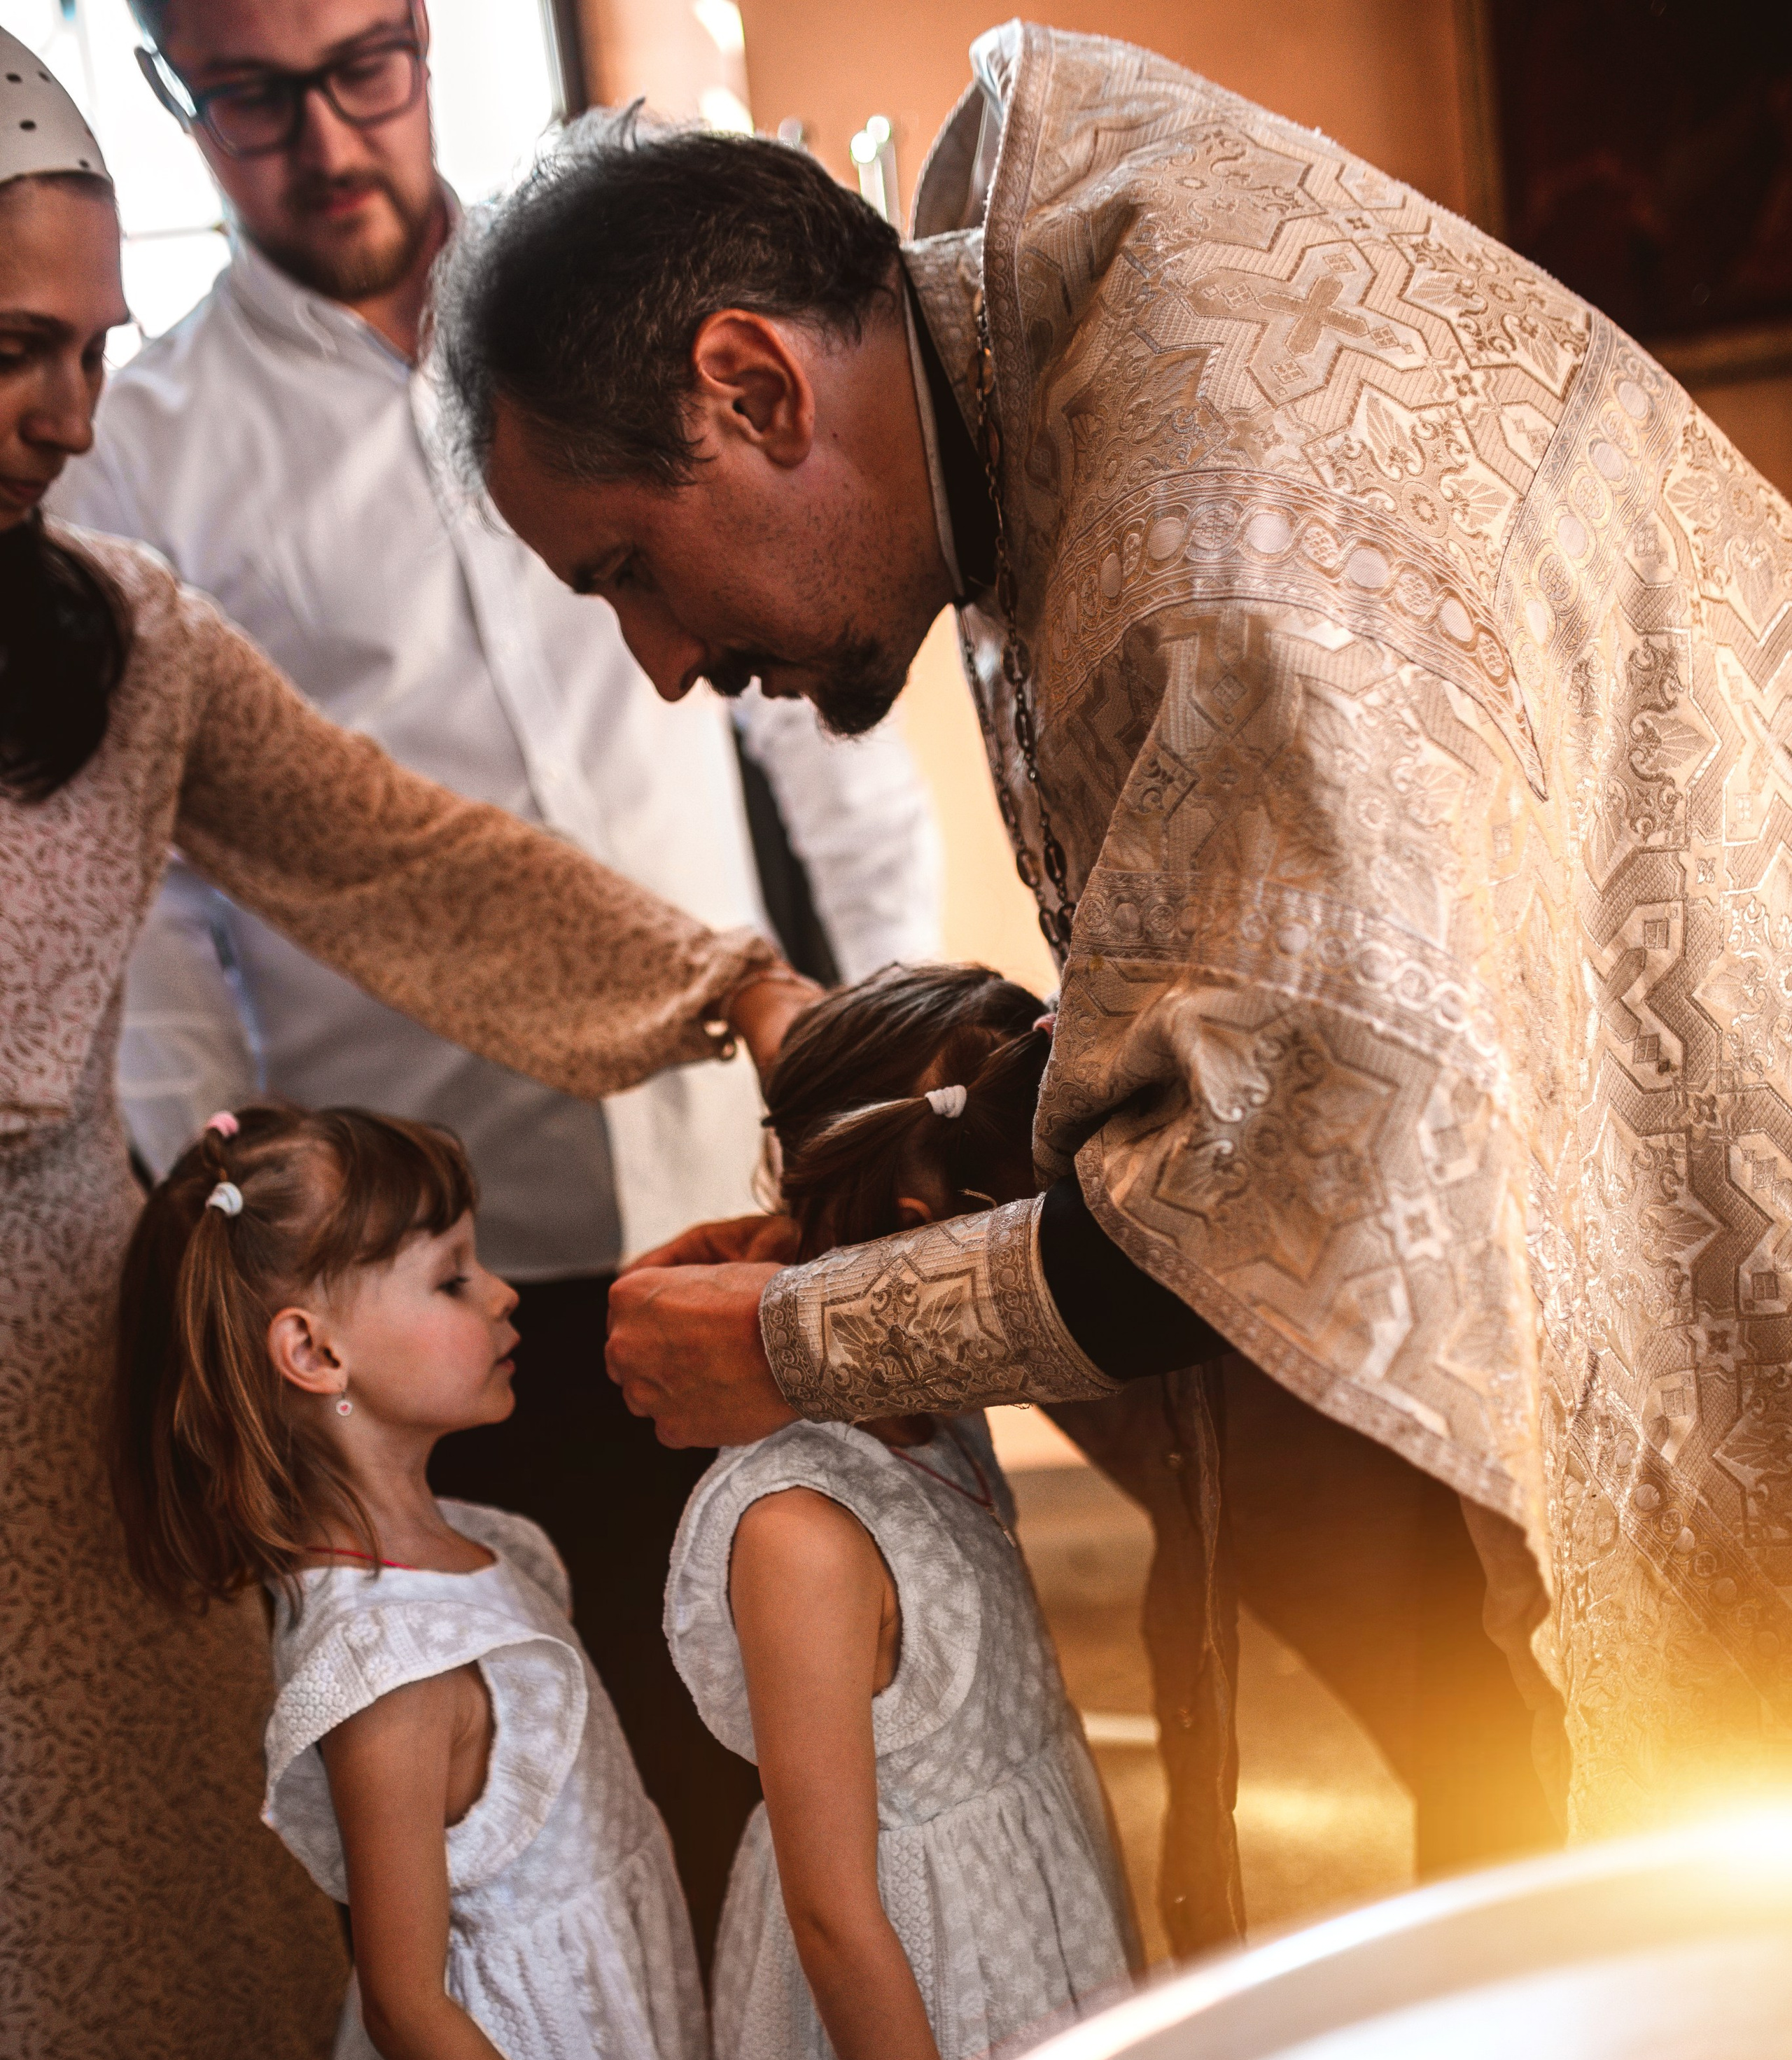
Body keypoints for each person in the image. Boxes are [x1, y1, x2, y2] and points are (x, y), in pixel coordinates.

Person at [428, 31, 1792, 1862]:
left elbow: (1257, 1193)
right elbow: (1240, 990)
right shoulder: (1049, 309)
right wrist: (900, 1201)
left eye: (627, 569)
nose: (662, 665)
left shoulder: (1206, 521)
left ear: (751, 388)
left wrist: (799, 1342)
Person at [0, 42, 797, 2060]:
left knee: (176, 1978)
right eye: (6, 350)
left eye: (81, 346)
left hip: (78, 1382)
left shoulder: (119, 640)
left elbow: (400, 856)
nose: (60, 413)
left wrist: (737, 990)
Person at [50, 0, 941, 1961]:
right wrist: (255, 1232)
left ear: (423, 35)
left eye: (363, 65)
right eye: (254, 96)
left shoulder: (601, 329)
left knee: (838, 1715)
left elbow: (810, 711)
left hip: (729, 1163)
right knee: (572, 1778)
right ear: (175, 93)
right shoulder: (143, 447)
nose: (324, 138)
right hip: (442, 1259)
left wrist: (862, 1036)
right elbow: (176, 912)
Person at [112, 1104, 724, 2060]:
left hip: (608, 2055)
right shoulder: (388, 1669)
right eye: (451, 1276)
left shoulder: (496, 1545)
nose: (506, 1295)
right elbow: (404, 2001)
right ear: (314, 1352)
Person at [666, 967, 1135, 2060]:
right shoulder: (804, 1532)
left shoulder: (937, 1418)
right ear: (933, 1223)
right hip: (923, 2015)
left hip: (1027, 1927)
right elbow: (831, 1910)